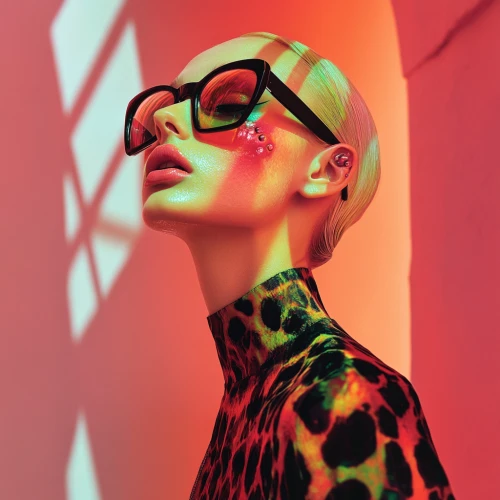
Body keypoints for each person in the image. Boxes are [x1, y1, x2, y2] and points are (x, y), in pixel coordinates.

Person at [124, 32, 455, 500]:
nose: (163, 119)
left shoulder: (341, 394)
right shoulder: (249, 399)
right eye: (165, 104)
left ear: (328, 170)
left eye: (228, 103)